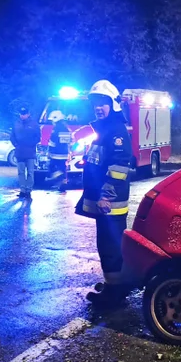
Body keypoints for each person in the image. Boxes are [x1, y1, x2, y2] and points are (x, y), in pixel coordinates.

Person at [76, 80, 132, 308]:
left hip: (110, 202)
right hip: (105, 200)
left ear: (113, 105)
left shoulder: (116, 131)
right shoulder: (105, 128)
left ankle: (114, 294)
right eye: (95, 103)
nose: (98, 107)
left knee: (110, 247)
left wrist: (106, 196)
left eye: (103, 103)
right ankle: (113, 284)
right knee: (108, 245)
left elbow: (119, 167)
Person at [10, 105, 41, 199]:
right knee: (21, 172)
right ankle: (23, 190)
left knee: (30, 172)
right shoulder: (16, 123)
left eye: (24, 114)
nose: (22, 116)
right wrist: (16, 145)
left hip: (30, 152)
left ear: (28, 114)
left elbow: (38, 137)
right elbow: (12, 136)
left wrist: (31, 144)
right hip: (20, 152)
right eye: (21, 114)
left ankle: (28, 190)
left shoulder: (34, 124)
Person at [45, 110, 72, 191]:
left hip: (56, 153)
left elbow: (53, 142)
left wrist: (49, 152)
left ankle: (57, 177)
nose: (52, 122)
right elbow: (66, 142)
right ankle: (63, 183)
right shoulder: (66, 128)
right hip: (64, 153)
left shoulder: (56, 129)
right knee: (62, 167)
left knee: (52, 166)